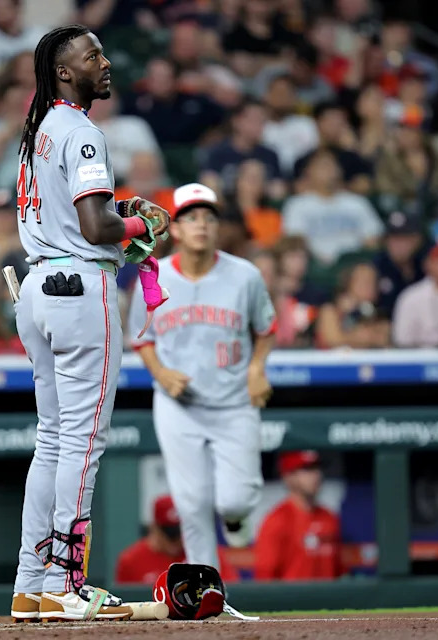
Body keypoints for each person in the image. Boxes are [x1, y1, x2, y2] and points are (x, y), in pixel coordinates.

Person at [9, 25, 169, 623]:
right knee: (81, 439)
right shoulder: (80, 130)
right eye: (90, 56)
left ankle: (32, 580)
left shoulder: (39, 131)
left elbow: (83, 217)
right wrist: (143, 223)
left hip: (37, 287)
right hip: (81, 289)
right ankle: (67, 582)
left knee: (51, 438)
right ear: (63, 71)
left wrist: (118, 215)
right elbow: (99, 229)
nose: (104, 64)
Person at [130, 183, 275, 575]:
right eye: (191, 217)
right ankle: (206, 589)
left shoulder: (245, 276)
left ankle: (236, 516)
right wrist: (160, 372)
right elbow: (141, 339)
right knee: (191, 503)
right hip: (180, 406)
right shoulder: (152, 274)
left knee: (234, 501)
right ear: (174, 229)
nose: (201, 225)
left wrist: (257, 368)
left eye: (209, 217)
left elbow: (266, 328)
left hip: (234, 402)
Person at [282, 150, 383, 266]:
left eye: (331, 165)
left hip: (355, 265)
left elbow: (372, 239)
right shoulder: (297, 205)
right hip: (316, 268)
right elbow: (296, 243)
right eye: (322, 165)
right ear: (309, 172)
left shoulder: (357, 202)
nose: (328, 169)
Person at [254, 451, 343, 581]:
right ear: (288, 476)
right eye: (307, 469)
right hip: (292, 600)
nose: (316, 475)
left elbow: (338, 572)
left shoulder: (329, 518)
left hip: (328, 599)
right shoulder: (277, 520)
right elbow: (265, 578)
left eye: (317, 468)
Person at [114, 495, 185, 585]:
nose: (176, 539)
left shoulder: (195, 555)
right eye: (170, 534)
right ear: (154, 528)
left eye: (179, 533)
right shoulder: (131, 560)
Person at [317, 263, 390, 349]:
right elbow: (333, 340)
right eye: (363, 281)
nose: (368, 286)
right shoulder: (330, 311)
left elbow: (384, 339)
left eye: (372, 281)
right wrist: (360, 338)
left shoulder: (380, 315)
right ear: (349, 283)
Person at [374, 212, 425, 315]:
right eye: (393, 239)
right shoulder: (376, 268)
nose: (398, 245)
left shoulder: (426, 266)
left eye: (404, 239)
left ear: (416, 240)